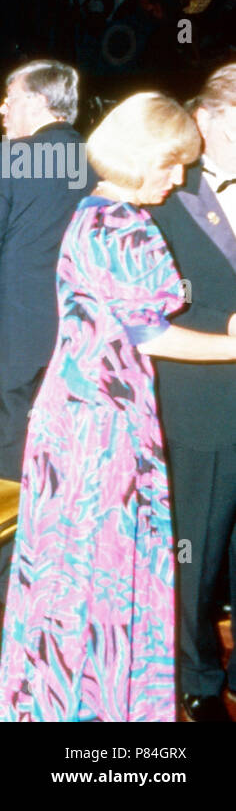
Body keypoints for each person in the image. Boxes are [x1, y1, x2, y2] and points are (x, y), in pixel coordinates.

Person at [0, 92, 223, 722]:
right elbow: (153, 336)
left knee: (68, 576)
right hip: (104, 422)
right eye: (171, 164)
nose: (179, 178)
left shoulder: (91, 211)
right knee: (103, 575)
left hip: (72, 409)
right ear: (142, 156)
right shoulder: (125, 224)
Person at [150, 64, 236, 722]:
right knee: (198, 545)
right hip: (199, 396)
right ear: (205, 121)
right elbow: (140, 315)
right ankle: (199, 679)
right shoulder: (160, 195)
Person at [0, 61, 88, 483]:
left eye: (9, 99)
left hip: (15, 321)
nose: (2, 109)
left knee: (8, 429)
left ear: (37, 102)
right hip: (80, 320)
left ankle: (8, 537)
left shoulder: (9, 159)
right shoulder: (96, 160)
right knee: (69, 429)